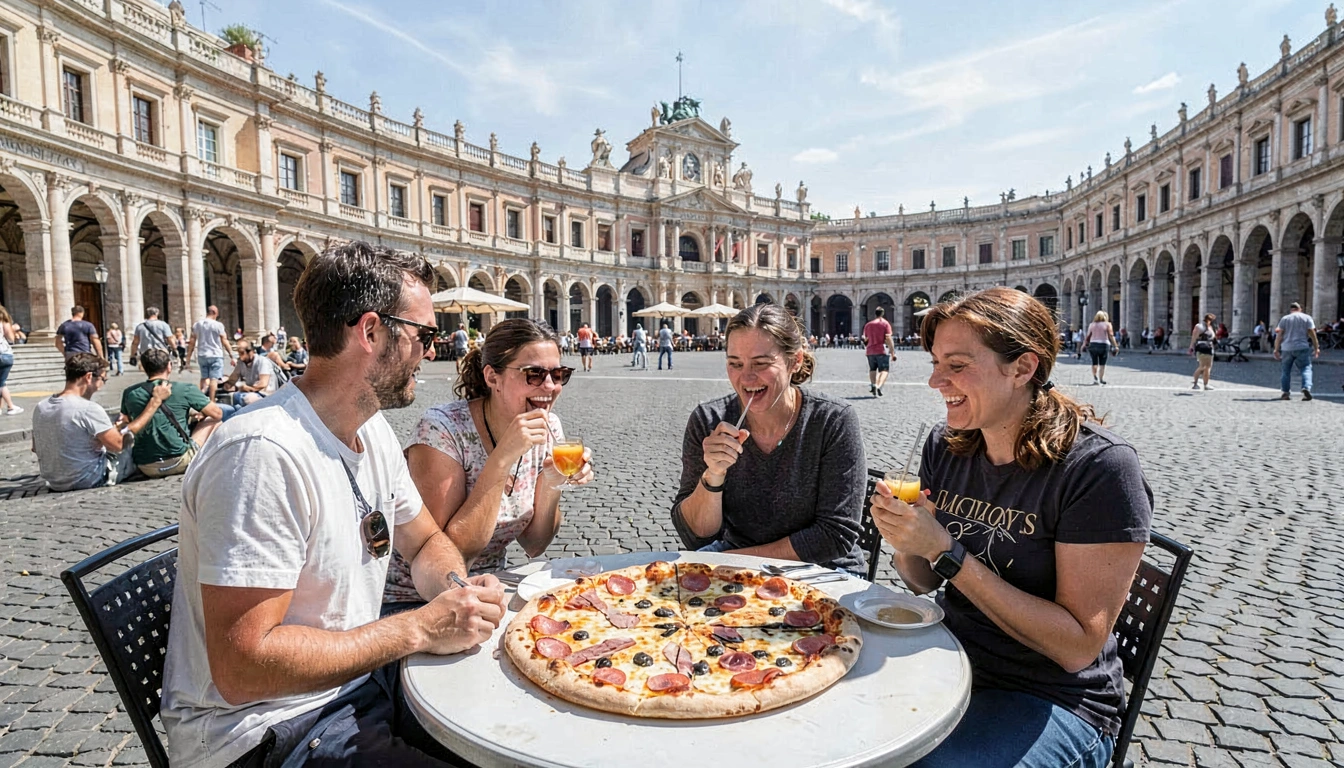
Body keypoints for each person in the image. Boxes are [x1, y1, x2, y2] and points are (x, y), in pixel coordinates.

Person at [161, 241, 506, 767]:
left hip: (356, 686)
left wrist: (458, 590)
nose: (432, 352)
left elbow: (424, 543)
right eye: (424, 335)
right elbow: (243, 667)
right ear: (370, 332)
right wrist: (419, 627)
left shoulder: (373, 430)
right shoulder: (263, 453)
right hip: (268, 730)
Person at [870, 287, 1152, 768]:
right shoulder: (947, 445)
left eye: (957, 365)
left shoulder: (1099, 469)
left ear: (1022, 368)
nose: (935, 380)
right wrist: (906, 541)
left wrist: (948, 553)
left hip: (1054, 696)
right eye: (935, 363)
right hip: (951, 658)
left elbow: (1076, 647)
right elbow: (922, 581)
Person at [389, 319, 593, 613]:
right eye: (534, 374)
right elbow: (446, 554)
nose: (550, 386)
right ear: (492, 377)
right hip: (414, 601)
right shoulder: (442, 430)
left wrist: (551, 482)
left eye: (558, 374)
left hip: (493, 590)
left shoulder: (549, 427)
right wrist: (501, 459)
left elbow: (534, 544)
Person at [671, 303, 866, 574]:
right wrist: (713, 475)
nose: (746, 377)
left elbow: (835, 535)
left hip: (823, 569)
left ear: (795, 361)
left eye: (761, 364)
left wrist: (735, 561)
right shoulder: (709, 420)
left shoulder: (832, 420)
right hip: (733, 562)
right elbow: (695, 536)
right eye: (735, 364)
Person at [32, 353, 164, 490]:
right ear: (89, 377)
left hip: (55, 481)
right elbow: (118, 445)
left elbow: (36, 447)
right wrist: (154, 404)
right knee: (135, 444)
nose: (103, 384)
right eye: (103, 379)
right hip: (88, 478)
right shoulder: (87, 408)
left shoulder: (41, 407)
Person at [120, 348, 225, 478]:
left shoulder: (130, 393)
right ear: (169, 366)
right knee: (214, 421)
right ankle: (210, 461)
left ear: (144, 368)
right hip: (179, 461)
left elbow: (127, 420)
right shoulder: (186, 389)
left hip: (145, 465)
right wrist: (201, 414)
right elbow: (217, 414)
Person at [186, 305, 236, 403]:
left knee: (204, 378)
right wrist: (231, 355)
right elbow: (224, 340)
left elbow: (192, 341)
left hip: (202, 354)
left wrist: (188, 357)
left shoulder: (197, 324)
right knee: (214, 379)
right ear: (214, 313)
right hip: (215, 354)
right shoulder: (218, 325)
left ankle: (201, 400)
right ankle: (212, 400)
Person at [1274, 302, 1319, 401]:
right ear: (1300, 309)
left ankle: (1285, 393)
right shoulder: (1307, 318)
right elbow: (1312, 333)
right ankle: (1306, 387)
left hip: (1287, 348)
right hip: (1302, 347)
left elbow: (1279, 335)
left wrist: (1276, 349)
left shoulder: (1285, 319)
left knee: (1286, 371)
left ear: (1291, 310)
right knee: (1306, 368)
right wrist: (1316, 348)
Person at [219, 340, 276, 408]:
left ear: (250, 352)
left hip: (265, 394)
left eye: (242, 353)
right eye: (239, 353)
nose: (241, 356)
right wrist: (227, 384)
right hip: (250, 392)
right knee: (234, 397)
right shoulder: (241, 362)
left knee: (247, 399)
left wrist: (248, 388)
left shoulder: (262, 362)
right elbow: (233, 378)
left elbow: (263, 384)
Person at [862, 306, 897, 397]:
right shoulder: (885, 324)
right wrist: (892, 353)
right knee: (884, 370)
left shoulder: (868, 325)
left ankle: (873, 384)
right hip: (881, 350)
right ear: (882, 313)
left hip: (870, 351)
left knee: (872, 369)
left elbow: (865, 339)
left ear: (875, 314)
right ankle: (878, 385)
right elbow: (888, 338)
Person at [1085, 311, 1118, 385]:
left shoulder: (1092, 325)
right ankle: (1101, 379)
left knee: (1094, 362)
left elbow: (1088, 336)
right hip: (1104, 344)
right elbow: (1111, 335)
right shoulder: (1107, 324)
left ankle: (1095, 377)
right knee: (1102, 364)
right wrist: (1115, 345)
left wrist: (1084, 344)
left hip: (1093, 344)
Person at [1189, 313, 1217, 391]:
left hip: (1210, 348)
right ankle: (1195, 383)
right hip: (1202, 348)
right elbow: (1194, 337)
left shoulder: (1211, 327)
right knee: (1202, 366)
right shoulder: (1199, 326)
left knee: (1208, 367)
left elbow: (1213, 337)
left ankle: (1206, 384)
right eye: (1211, 320)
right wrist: (1191, 347)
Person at [0, 304, 19, 415]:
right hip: (4, 354)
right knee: (1, 382)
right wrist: (13, 329)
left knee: (1, 382)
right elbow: (11, 339)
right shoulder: (3, 320)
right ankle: (11, 406)